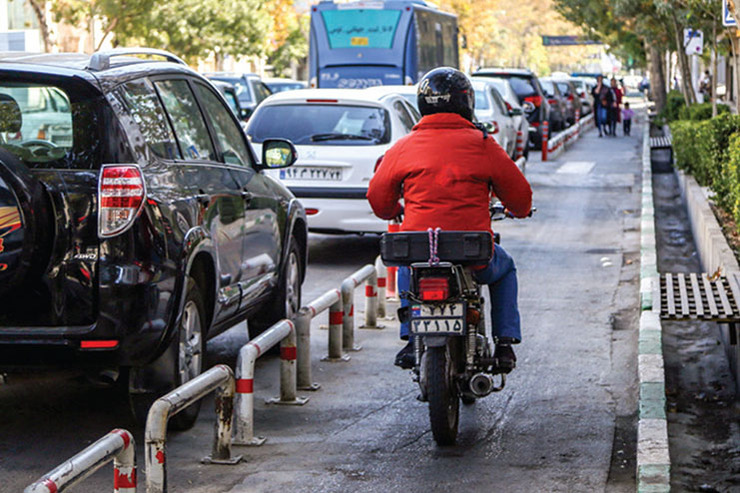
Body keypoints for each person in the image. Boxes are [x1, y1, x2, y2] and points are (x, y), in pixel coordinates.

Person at [367, 67, 532, 371]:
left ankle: (408, 337)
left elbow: (379, 200)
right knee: (505, 268)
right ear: (465, 102)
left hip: (418, 250)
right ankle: (505, 343)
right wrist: (516, 210)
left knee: (407, 265)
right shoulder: (483, 144)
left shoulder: (403, 147)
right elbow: (521, 199)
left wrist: (394, 211)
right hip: (474, 254)